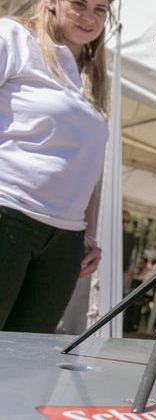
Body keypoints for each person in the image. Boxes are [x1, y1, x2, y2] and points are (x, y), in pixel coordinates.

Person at [0, 0, 111, 333]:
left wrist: (88, 233)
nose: (89, 17)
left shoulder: (94, 75)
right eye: (79, 4)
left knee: (25, 370)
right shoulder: (14, 36)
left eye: (101, 9)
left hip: (64, 245)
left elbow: (88, 165)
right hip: (8, 216)